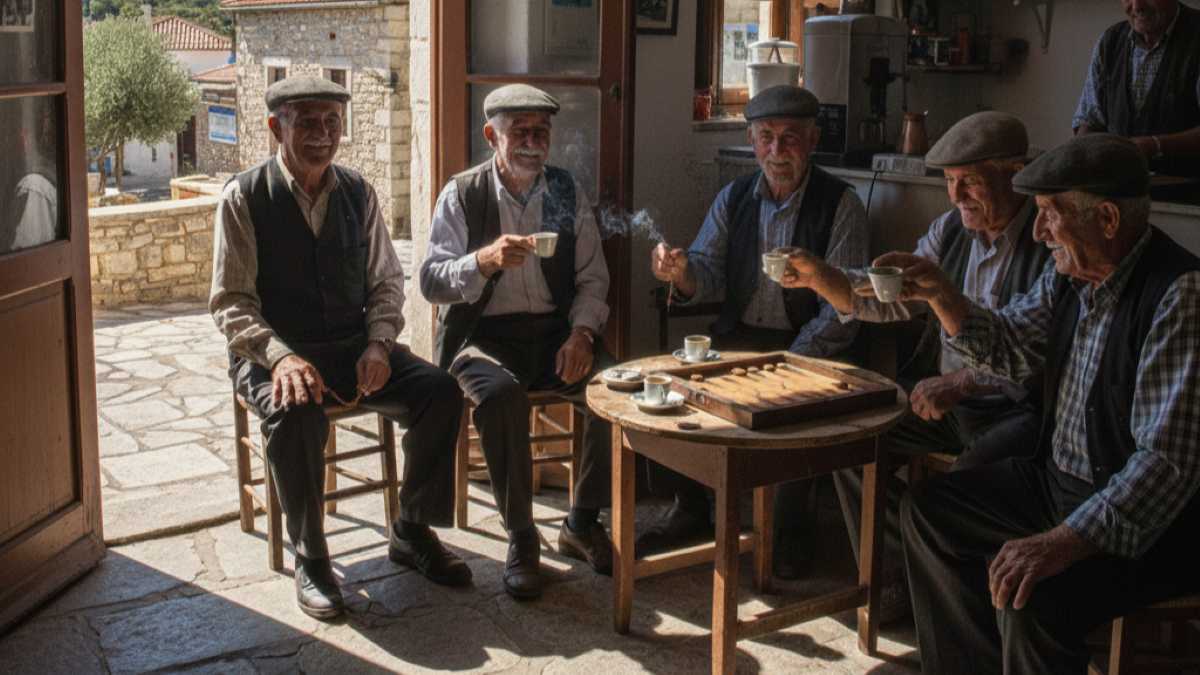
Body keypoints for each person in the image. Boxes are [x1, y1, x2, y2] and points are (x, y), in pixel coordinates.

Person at [889, 134, 1200, 674]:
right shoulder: (1069, 278)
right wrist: (943, 295)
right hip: (1059, 486)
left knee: (1032, 597)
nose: (1037, 232)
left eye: (1050, 214)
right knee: (930, 513)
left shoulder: (1179, 295)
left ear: (1106, 218)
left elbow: (1165, 467)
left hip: (1149, 529)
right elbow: (1008, 347)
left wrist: (1062, 541)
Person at [210, 76, 469, 621]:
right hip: (270, 352)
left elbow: (386, 283)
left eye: (332, 122)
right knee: (295, 411)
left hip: (352, 347)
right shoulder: (244, 197)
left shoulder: (357, 191)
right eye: (307, 122)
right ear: (275, 127)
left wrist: (379, 345)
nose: (322, 134)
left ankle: (411, 530)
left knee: (441, 392)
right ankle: (312, 555)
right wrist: (279, 355)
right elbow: (231, 302)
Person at [780, 111, 1049, 614]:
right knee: (851, 438)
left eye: (969, 181)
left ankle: (955, 602)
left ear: (1013, 173)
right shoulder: (950, 231)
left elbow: (1035, 352)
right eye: (949, 182)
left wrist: (963, 382)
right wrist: (823, 278)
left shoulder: (1047, 239)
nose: (956, 196)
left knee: (958, 488)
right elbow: (889, 297)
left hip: (1019, 409)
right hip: (942, 401)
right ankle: (902, 575)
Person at [647, 85, 870, 577]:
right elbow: (707, 272)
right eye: (766, 138)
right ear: (751, 141)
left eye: (790, 138)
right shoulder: (735, 198)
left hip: (810, 344)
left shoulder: (841, 205)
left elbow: (844, 306)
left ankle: (790, 527)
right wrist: (679, 272)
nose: (777, 151)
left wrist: (791, 360)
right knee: (674, 389)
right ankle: (691, 507)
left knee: (794, 411)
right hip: (740, 337)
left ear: (813, 140)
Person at [420, 84, 614, 600]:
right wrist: (482, 261)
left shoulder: (566, 192)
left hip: (554, 334)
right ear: (491, 135)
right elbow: (431, 280)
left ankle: (581, 520)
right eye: (519, 131)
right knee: (501, 396)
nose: (532, 142)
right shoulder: (463, 193)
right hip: (483, 337)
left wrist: (581, 333)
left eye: (541, 132)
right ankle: (522, 536)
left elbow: (594, 276)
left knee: (614, 389)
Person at [1073, 0, 1200, 179]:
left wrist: (1155, 146)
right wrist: (1080, 158)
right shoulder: (1110, 41)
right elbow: (1090, 120)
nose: (1137, 5)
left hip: (1189, 195)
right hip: (1120, 193)